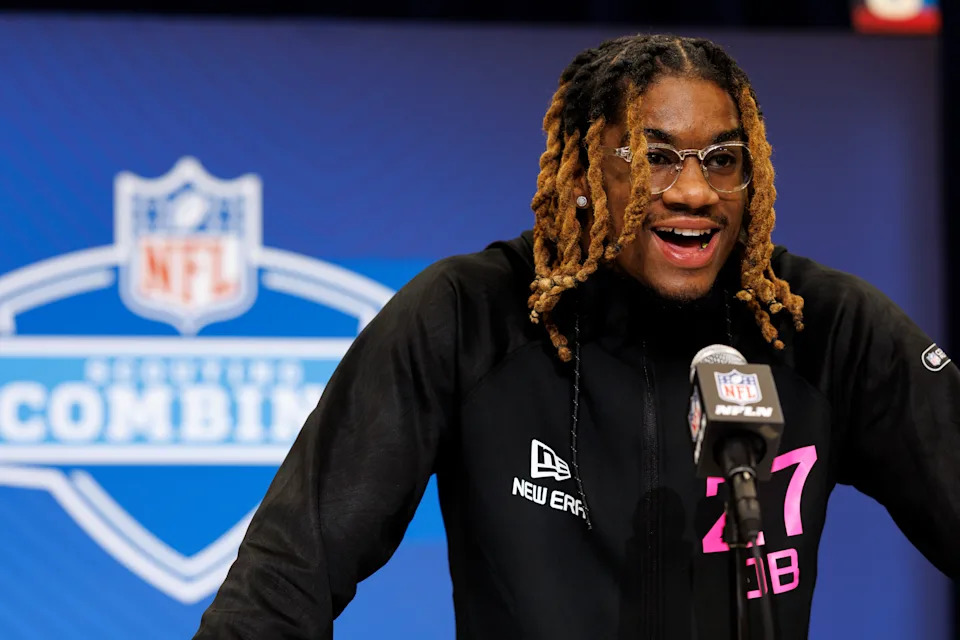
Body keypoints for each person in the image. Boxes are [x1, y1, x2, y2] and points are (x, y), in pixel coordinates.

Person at [193, 34, 960, 639]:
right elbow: (284, 581)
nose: (694, 190)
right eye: (657, 157)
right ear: (590, 167)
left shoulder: (818, 327)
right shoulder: (471, 316)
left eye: (723, 161)